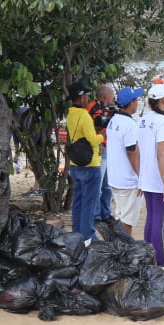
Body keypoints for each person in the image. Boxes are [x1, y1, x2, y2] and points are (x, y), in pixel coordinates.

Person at [137, 82, 164, 273]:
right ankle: (162, 263)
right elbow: (161, 153)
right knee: (159, 222)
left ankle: (148, 259)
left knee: (151, 220)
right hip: (158, 179)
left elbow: (140, 150)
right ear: (162, 101)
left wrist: (140, 177)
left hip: (147, 178)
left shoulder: (144, 120)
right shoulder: (163, 122)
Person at [64, 82, 104, 241]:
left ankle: (77, 232)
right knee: (89, 201)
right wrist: (102, 135)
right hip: (90, 165)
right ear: (80, 98)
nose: (87, 98)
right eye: (86, 96)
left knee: (78, 200)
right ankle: (87, 235)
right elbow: (92, 140)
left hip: (75, 164)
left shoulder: (70, 114)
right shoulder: (84, 116)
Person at [104, 86, 145, 236]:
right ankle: (124, 249)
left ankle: (118, 246)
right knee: (127, 220)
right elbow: (132, 152)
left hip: (115, 176)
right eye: (136, 100)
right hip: (127, 180)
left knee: (120, 215)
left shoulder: (113, 120)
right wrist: (141, 176)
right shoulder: (130, 125)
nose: (138, 103)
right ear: (131, 103)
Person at [88, 84, 116, 223]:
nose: (113, 97)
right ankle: (96, 215)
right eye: (112, 95)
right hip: (99, 148)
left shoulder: (107, 109)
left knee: (107, 185)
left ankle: (105, 213)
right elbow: (96, 125)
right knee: (98, 185)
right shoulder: (93, 108)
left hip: (107, 147)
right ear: (105, 96)